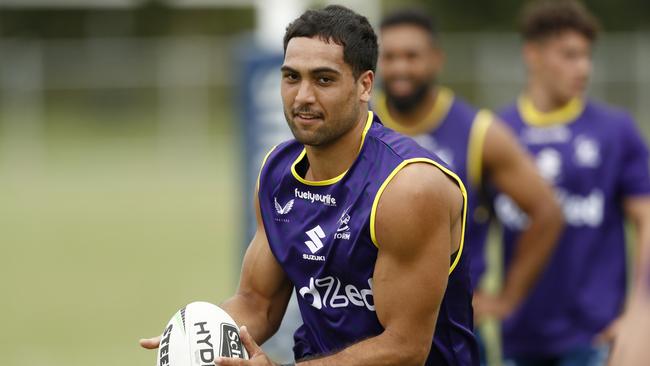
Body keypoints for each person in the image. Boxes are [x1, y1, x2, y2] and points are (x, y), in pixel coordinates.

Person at [141, 5, 479, 365]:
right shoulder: (277, 174)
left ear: (365, 85)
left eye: (323, 79)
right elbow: (258, 303)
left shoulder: (408, 188)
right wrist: (197, 340)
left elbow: (404, 348)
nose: (302, 96)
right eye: (291, 77)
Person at [375, 10, 563, 322]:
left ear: (436, 59)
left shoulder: (478, 131)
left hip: (454, 329)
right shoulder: (360, 125)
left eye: (412, 56)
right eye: (390, 57)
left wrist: (506, 299)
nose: (400, 68)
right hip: (371, 329)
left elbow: (547, 211)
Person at [493, 1, 650, 364]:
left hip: (596, 335)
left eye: (586, 56)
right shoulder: (499, 132)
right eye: (569, 55)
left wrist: (640, 314)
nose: (584, 68)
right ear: (532, 54)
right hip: (518, 337)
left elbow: (646, 219)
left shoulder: (615, 130)